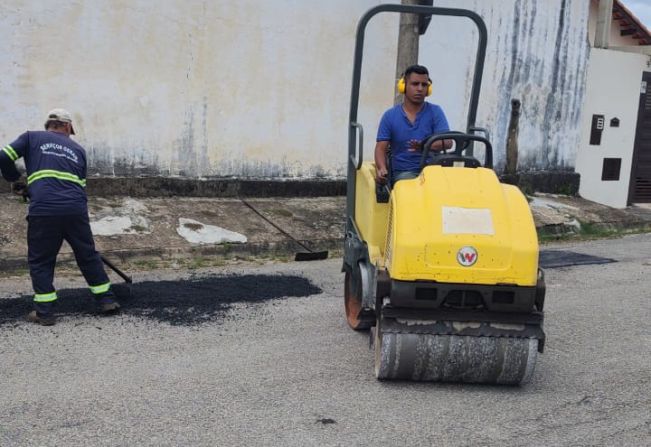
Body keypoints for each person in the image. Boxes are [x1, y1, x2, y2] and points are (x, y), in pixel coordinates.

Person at [0, 108, 120, 325]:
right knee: (88, 255)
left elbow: (3, 157)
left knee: (41, 260)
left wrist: (17, 180)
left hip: (44, 210)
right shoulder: (78, 149)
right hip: (75, 210)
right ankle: (106, 300)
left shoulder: (31, 137)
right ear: (66, 126)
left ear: (49, 125)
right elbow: (79, 186)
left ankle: (44, 313)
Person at [374, 64, 453, 184]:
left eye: (424, 85)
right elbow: (380, 148)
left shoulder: (436, 111)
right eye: (415, 84)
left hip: (433, 172)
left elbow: (448, 142)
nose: (420, 89)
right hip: (405, 173)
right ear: (404, 86)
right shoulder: (389, 116)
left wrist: (424, 146)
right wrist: (381, 168)